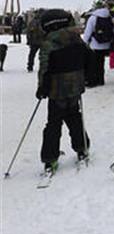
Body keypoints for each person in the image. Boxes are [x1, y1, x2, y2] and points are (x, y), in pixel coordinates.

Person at [36, 9, 90, 173]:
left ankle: (50, 158)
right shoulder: (76, 39)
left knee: (53, 123)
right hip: (75, 87)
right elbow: (89, 57)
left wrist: (42, 88)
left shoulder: (49, 43)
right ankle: (82, 148)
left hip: (56, 90)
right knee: (74, 117)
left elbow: (44, 69)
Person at [82, 3, 114, 87]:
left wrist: (84, 42)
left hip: (95, 43)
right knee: (101, 62)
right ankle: (101, 80)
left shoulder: (93, 17)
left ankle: (93, 81)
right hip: (105, 43)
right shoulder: (109, 16)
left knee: (94, 63)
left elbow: (88, 31)